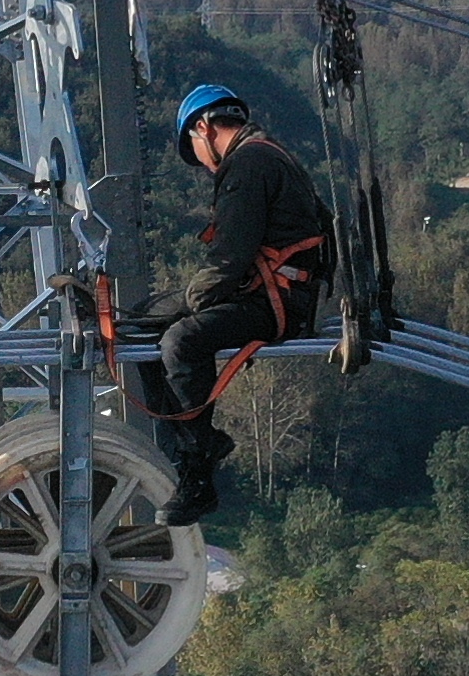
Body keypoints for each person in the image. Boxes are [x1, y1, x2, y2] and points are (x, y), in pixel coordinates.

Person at [128, 82, 325, 527]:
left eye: (194, 149)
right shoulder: (265, 154)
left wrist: (194, 302)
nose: (201, 164)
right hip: (268, 290)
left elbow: (231, 254)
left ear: (203, 128)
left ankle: (197, 464)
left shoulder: (248, 163)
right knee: (142, 318)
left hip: (275, 302)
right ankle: (184, 433)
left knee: (182, 340)